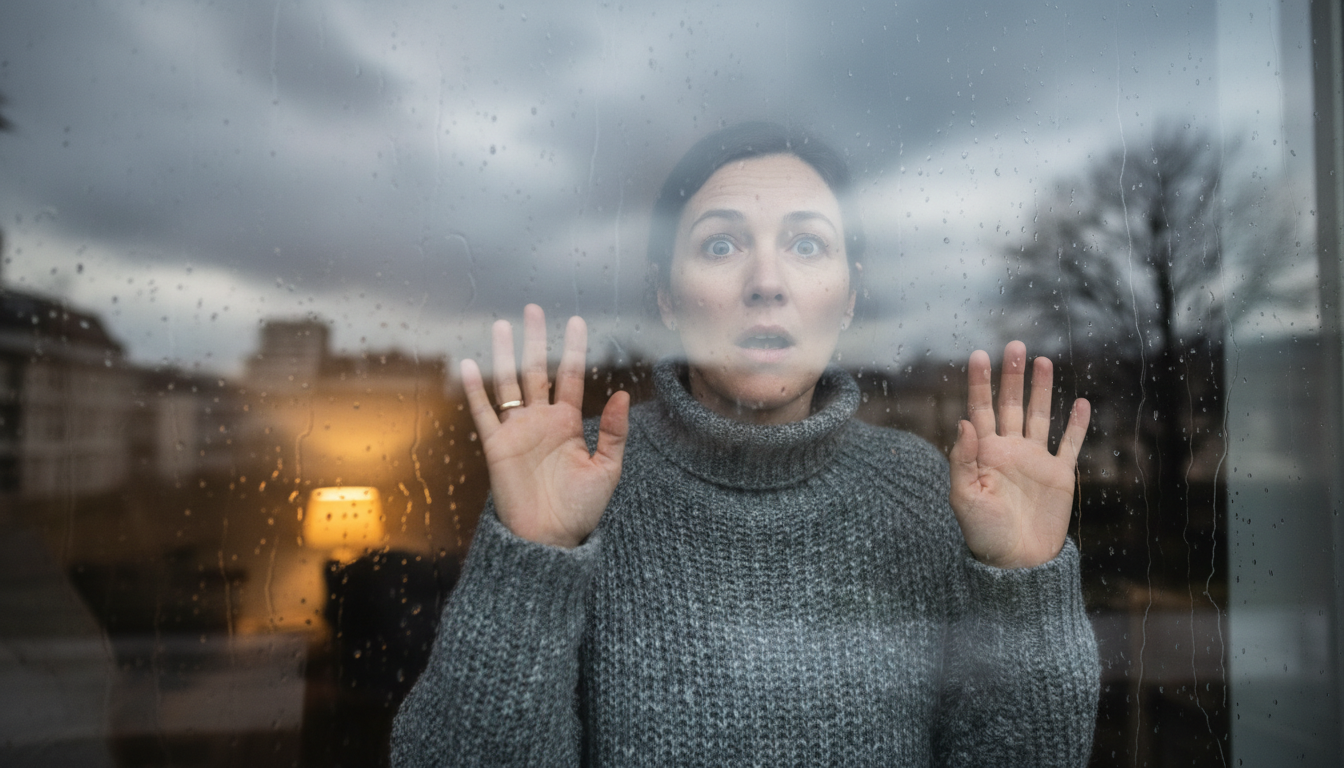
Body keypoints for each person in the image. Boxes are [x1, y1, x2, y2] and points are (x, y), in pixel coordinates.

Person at [391, 122, 1100, 766]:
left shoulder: (929, 493)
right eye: (722, 245)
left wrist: (1024, 589)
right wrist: (532, 557)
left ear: (848, 296)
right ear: (668, 297)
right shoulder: (575, 480)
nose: (766, 283)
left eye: (806, 244)